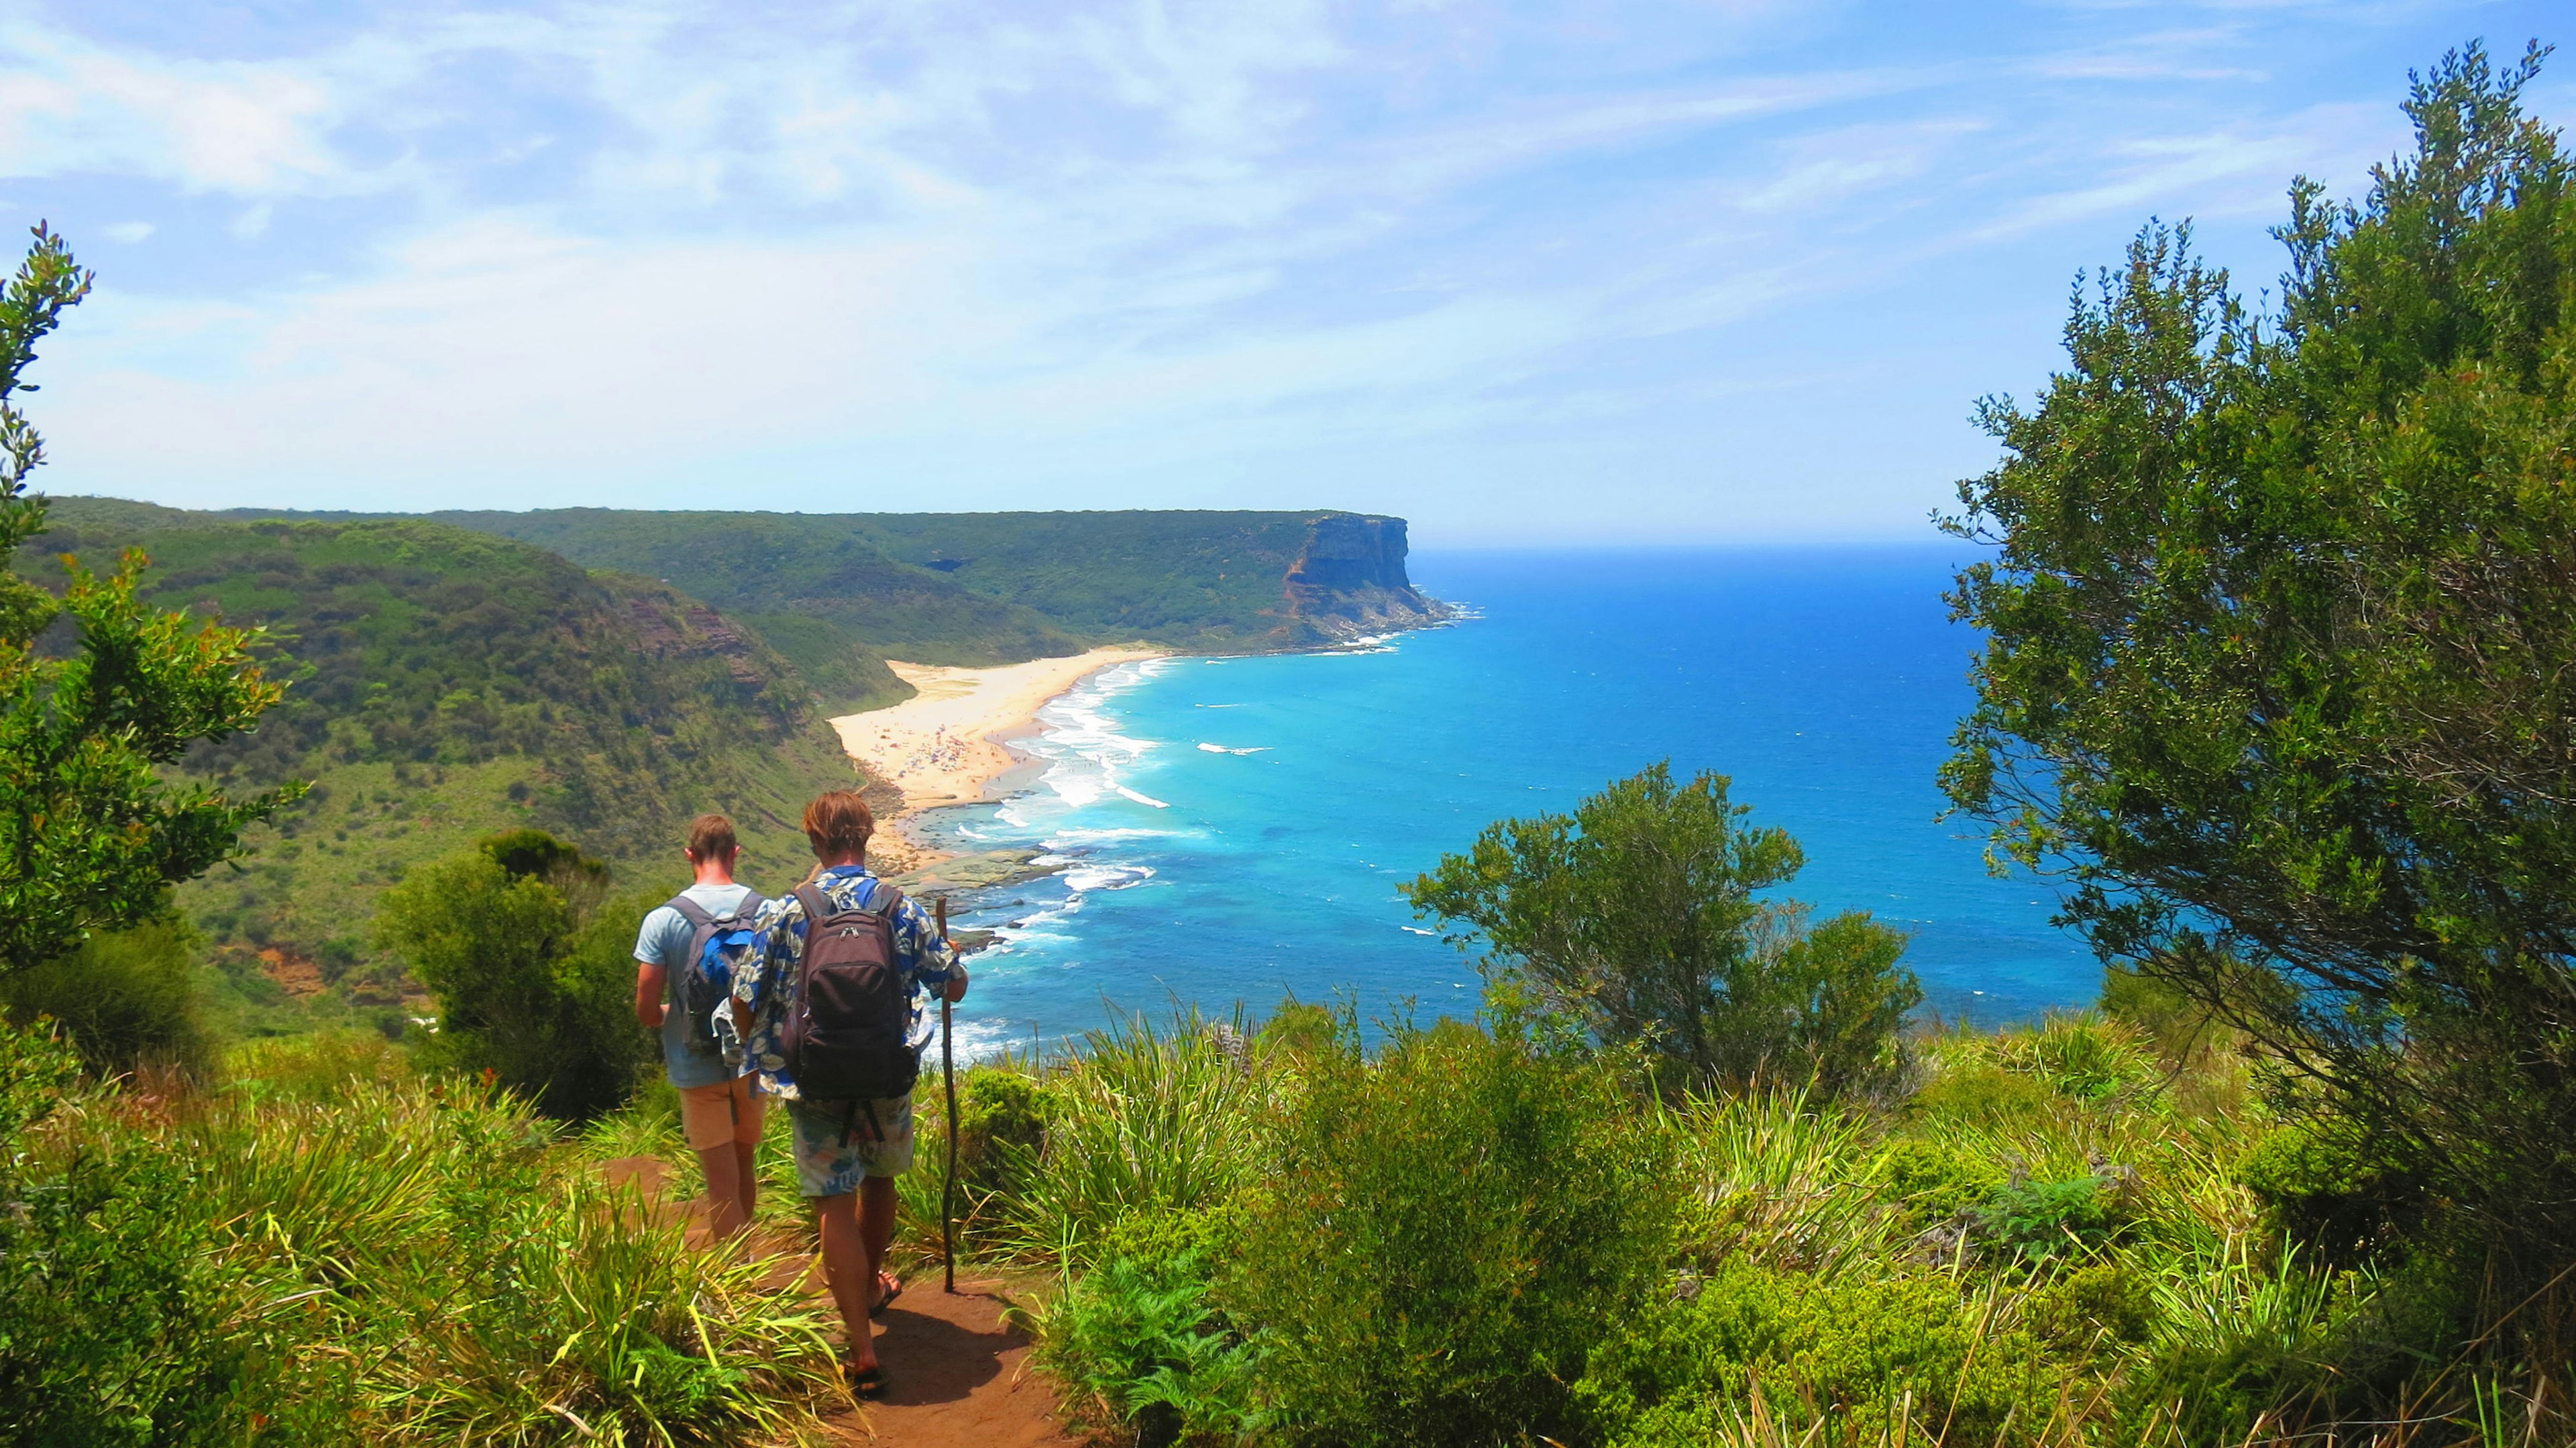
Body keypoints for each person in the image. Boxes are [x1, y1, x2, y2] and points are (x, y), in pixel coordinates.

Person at [733, 788, 964, 1397]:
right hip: (886, 1073)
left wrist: (755, 1047)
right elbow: (953, 985)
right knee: (879, 1180)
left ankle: (860, 1346)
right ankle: (869, 1286)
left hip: (812, 1080)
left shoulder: (789, 911)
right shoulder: (896, 906)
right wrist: (952, 959)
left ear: (814, 842)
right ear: (866, 837)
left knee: (833, 1199)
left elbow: (743, 997)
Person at [632, 813, 767, 1241]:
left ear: (690, 855)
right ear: (735, 853)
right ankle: (748, 1268)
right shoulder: (764, 910)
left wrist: (672, 1014)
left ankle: (735, 1281)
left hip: (695, 1064)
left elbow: (646, 1007)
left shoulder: (663, 920)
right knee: (745, 1166)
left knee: (719, 1181)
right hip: (751, 1060)